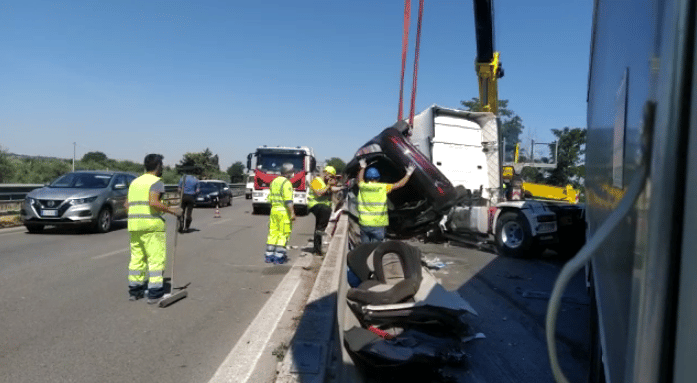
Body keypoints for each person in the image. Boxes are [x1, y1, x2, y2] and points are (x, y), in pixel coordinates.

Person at [126, 154, 182, 303]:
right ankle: (155, 293)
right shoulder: (156, 182)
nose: (162, 167)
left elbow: (127, 205)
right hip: (152, 226)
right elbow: (153, 202)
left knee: (137, 259)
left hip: (134, 226)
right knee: (155, 259)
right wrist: (173, 211)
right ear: (158, 166)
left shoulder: (135, 182)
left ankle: (135, 291)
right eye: (162, 165)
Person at [357, 159, 415, 244]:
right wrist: (408, 174)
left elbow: (360, 179)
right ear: (378, 177)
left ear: (367, 177)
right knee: (376, 250)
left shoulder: (363, 187)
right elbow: (400, 184)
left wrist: (362, 167)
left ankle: (365, 256)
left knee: (364, 249)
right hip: (378, 225)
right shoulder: (383, 187)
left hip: (364, 224)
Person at [264, 163, 296, 264]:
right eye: (292, 171)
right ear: (288, 172)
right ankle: (279, 256)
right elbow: (288, 200)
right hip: (283, 212)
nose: (293, 173)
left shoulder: (274, 181)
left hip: (274, 210)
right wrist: (292, 213)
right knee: (283, 233)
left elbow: (269, 198)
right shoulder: (286, 183)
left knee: (273, 232)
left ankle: (269, 255)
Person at [307, 165, 340, 255]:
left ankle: (317, 248)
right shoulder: (316, 181)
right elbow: (319, 193)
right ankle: (318, 244)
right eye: (331, 176)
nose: (331, 178)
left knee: (319, 226)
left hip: (323, 206)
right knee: (325, 211)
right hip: (315, 205)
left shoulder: (326, 182)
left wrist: (341, 188)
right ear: (326, 174)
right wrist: (328, 185)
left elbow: (333, 190)